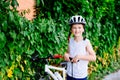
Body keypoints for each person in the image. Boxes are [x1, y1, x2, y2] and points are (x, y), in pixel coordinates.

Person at [64, 15, 96, 80]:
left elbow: (93, 57)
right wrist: (66, 55)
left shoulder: (86, 42)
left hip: (81, 76)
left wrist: (79, 56)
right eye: (74, 28)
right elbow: (68, 53)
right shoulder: (70, 40)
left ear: (83, 29)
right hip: (69, 74)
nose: (77, 30)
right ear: (71, 30)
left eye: (79, 27)